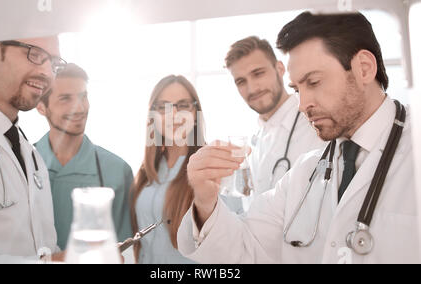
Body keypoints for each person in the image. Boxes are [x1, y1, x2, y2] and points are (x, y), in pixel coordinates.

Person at [177, 11, 420, 264]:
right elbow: (245, 248)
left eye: (313, 82)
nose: (302, 105)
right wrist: (205, 200)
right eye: (296, 89)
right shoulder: (305, 173)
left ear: (364, 69)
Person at [0, 36, 66, 262]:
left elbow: (44, 248)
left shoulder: (30, 154)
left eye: (53, 63)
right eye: (34, 54)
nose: (47, 72)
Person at [35, 63, 133, 250]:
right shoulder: (21, 164)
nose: (79, 108)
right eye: (65, 99)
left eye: (83, 97)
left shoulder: (117, 171)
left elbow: (123, 252)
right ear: (41, 107)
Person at [225, 36, 325, 194]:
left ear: (280, 68)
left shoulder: (316, 124)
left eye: (258, 74)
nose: (252, 89)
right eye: (241, 81)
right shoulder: (254, 141)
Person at [130, 75, 207, 264]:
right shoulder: (148, 171)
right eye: (163, 107)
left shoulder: (209, 165)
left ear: (195, 112)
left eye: (182, 105)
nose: (173, 115)